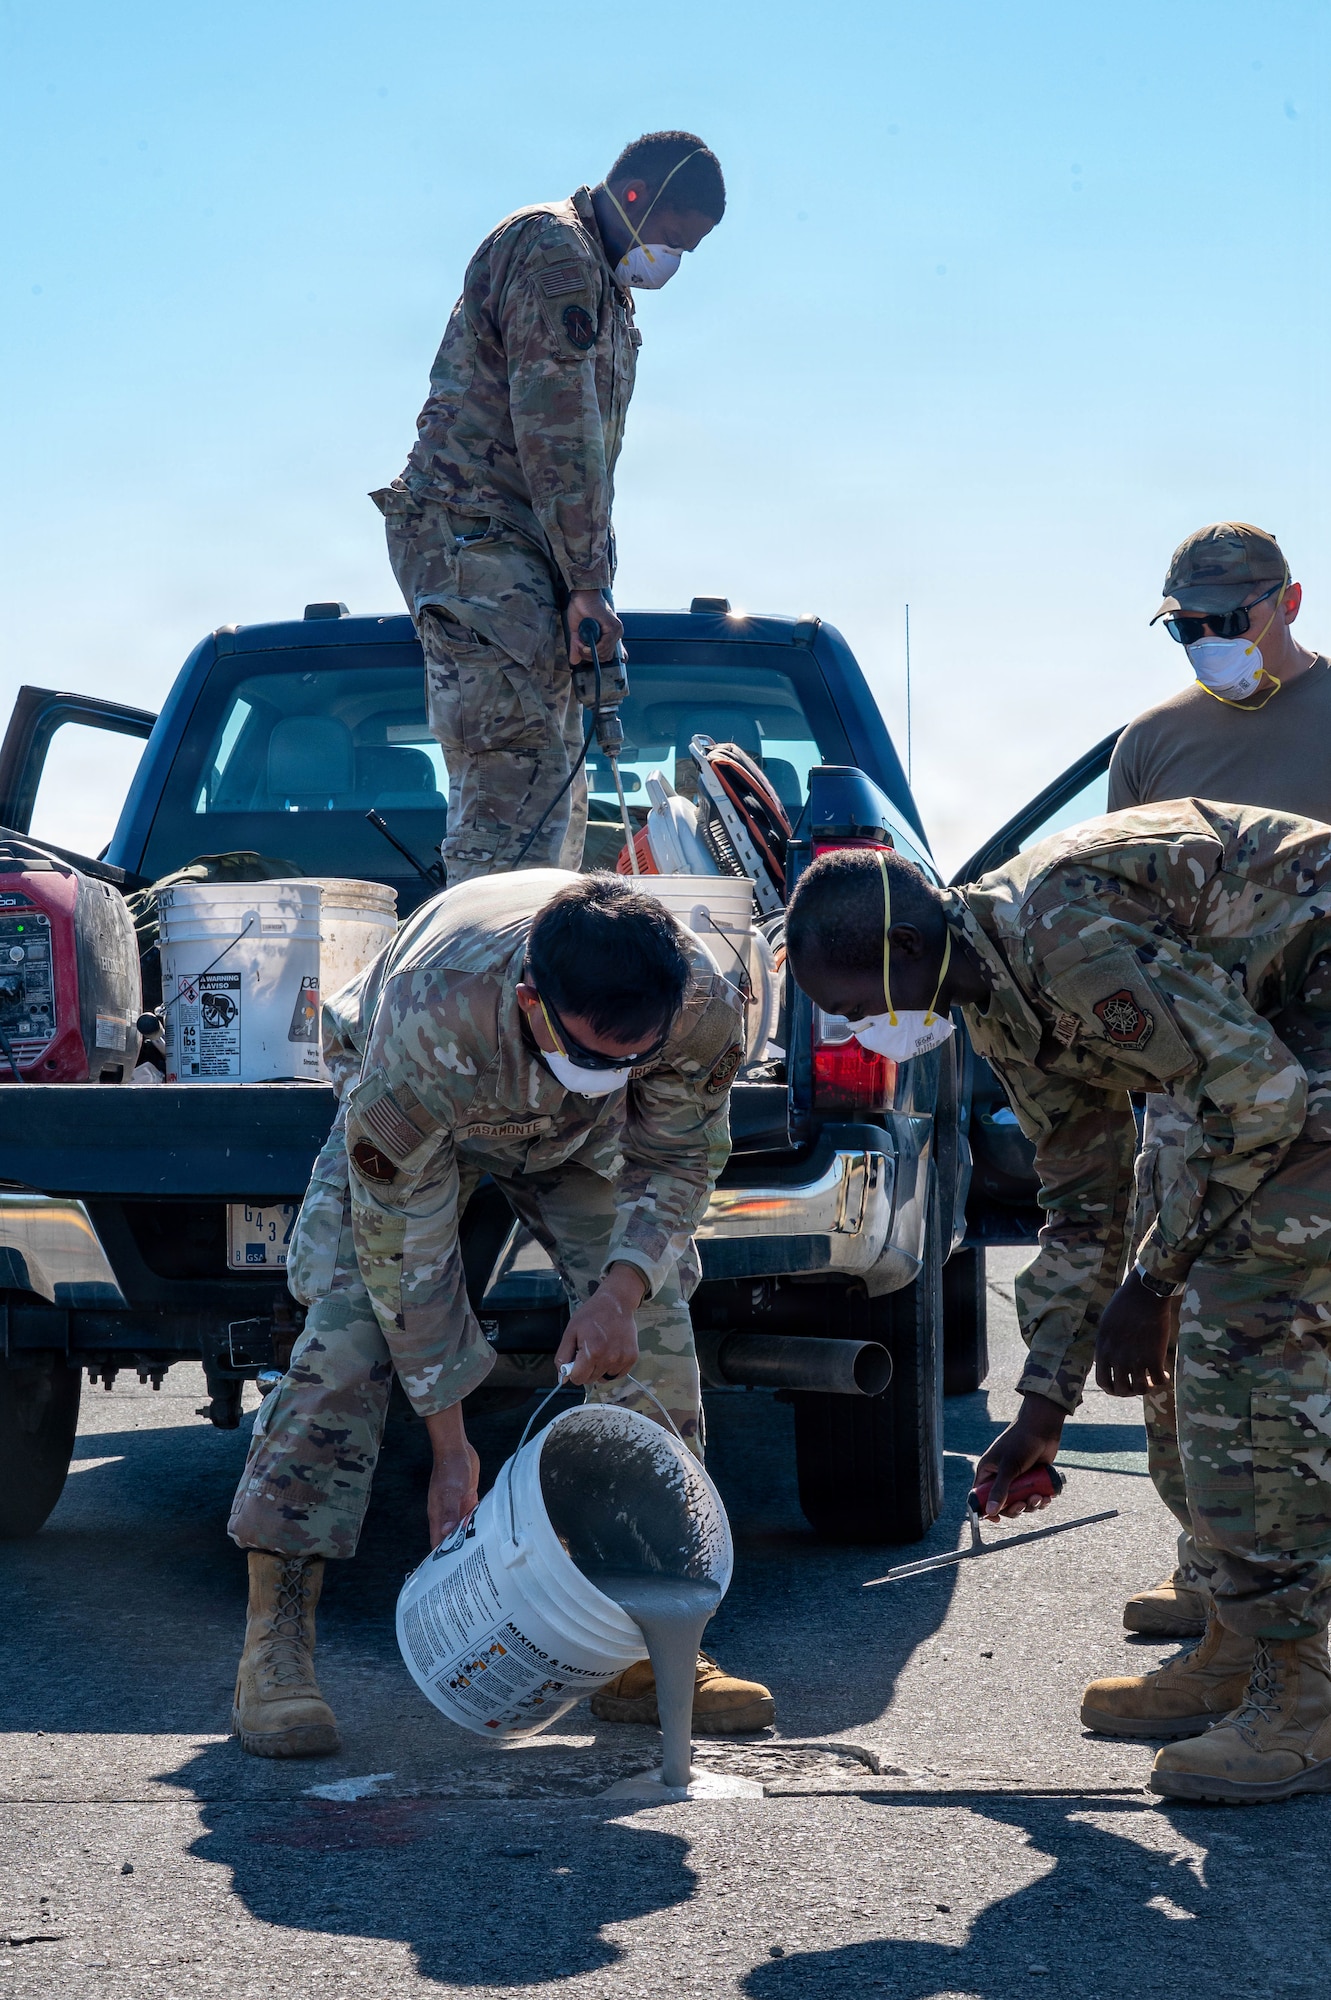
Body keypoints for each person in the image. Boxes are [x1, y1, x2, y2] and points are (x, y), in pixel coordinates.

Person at [786, 811, 1331, 1803]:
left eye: (859, 1001)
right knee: (1170, 1351)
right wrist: (1041, 1407)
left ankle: (1301, 1696)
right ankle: (1231, 1641)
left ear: (906, 946)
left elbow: (1260, 1097)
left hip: (1300, 1036)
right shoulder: (988, 993)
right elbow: (1085, 1199)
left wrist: (1155, 1280)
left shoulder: (1058, 935)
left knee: (1238, 1342)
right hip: (1253, 1048)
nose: (861, 1028)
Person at [228, 871, 772, 1758]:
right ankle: (275, 1652)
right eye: (594, 1055)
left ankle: (646, 1650)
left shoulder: (700, 1001)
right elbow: (405, 1253)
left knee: (654, 1334)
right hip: (429, 1110)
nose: (611, 1076)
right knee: (349, 1340)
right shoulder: (431, 1023)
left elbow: (678, 1154)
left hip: (572, 1144)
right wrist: (450, 1448)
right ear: (532, 1001)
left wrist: (620, 1292)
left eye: (631, 1060)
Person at [371, 132, 726, 886]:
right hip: (480, 540)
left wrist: (580, 583)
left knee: (549, 797)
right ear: (634, 197)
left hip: (514, 549)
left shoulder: (599, 275)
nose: (671, 263)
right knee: (517, 799)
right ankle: (488, 982)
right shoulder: (555, 252)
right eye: (670, 239)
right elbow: (559, 432)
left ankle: (519, 978)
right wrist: (590, 584)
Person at [1108, 524, 1331, 1642]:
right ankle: (1205, 1567)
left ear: (1286, 600)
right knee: (1175, 1334)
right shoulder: (1148, 744)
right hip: (1186, 1091)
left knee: (1298, 1353)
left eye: (1223, 621)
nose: (1203, 643)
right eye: (1182, 627)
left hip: (1316, 1093)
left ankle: (1289, 1602)